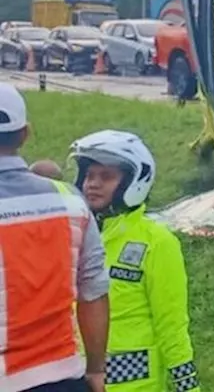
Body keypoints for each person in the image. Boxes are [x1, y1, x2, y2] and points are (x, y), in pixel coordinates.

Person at [69, 130, 201, 392]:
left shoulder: (157, 242)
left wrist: (188, 386)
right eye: (89, 175)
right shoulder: (75, 235)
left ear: (133, 182)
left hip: (135, 384)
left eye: (106, 177)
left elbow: (172, 325)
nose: (92, 183)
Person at [0, 83, 110, 392]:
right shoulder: (71, 202)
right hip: (62, 378)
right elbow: (94, 291)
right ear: (25, 133)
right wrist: (96, 369)